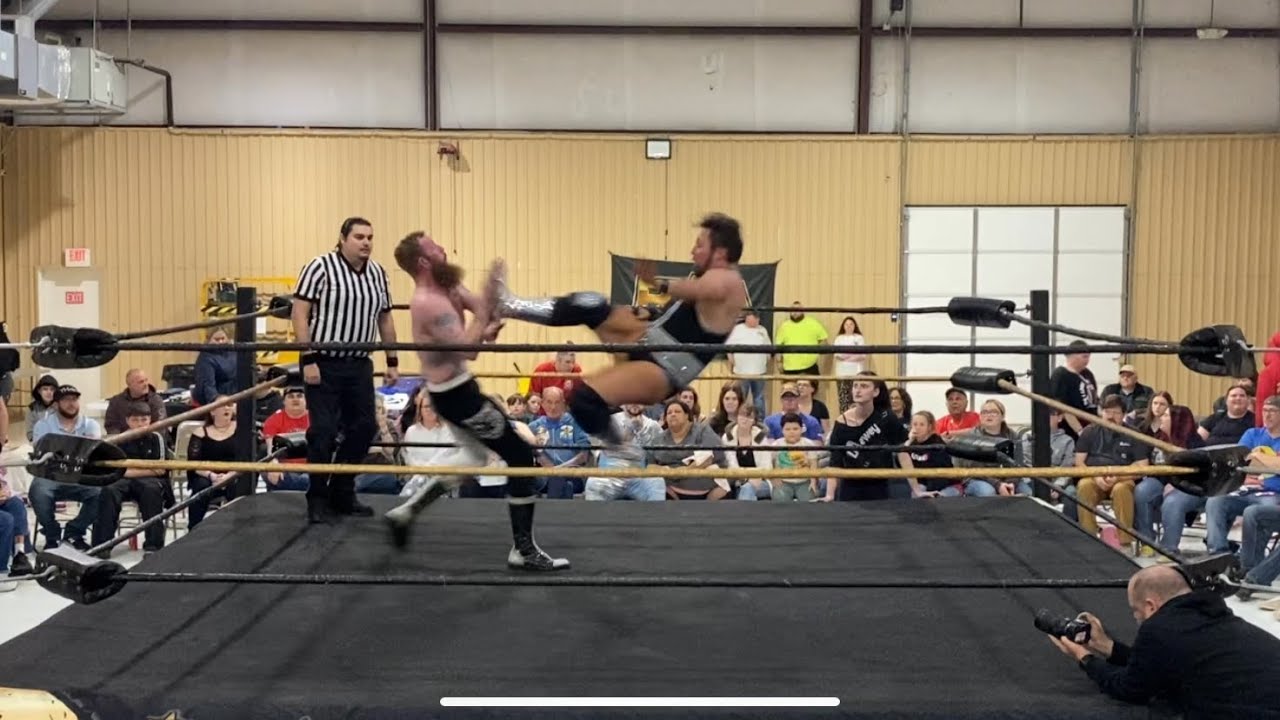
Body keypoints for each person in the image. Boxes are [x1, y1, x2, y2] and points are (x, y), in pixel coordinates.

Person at [386, 230, 566, 571]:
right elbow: (468, 348)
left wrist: (490, 309)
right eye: (434, 248)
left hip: (460, 388)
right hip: (455, 397)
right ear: (423, 261)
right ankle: (523, 549)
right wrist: (484, 322)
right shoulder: (428, 303)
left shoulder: (447, 283)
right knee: (520, 455)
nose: (443, 248)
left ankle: (406, 511)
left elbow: (480, 312)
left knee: (474, 456)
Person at [492, 212, 749, 450]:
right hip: (647, 339)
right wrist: (650, 312)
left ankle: (622, 449)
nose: (693, 251)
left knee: (583, 399)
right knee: (591, 305)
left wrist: (657, 283)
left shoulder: (728, 280)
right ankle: (510, 305)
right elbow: (684, 310)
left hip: (663, 368)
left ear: (720, 253)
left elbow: (700, 290)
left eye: (700, 245)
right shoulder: (709, 279)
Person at [1048, 565, 1280, 719]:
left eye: (1135, 610)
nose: (1136, 617)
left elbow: (1128, 688)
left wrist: (1083, 657)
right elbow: (1157, 664)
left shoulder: (1160, 628)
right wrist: (1107, 647)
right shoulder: (1211, 614)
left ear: (1151, 605)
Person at [291, 216, 400, 523]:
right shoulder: (319, 267)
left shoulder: (378, 273)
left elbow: (385, 319)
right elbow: (299, 314)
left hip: (359, 363)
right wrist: (308, 358)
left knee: (365, 428)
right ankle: (316, 497)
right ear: (342, 238)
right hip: (323, 362)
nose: (366, 243)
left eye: (370, 237)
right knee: (323, 432)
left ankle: (342, 490)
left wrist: (392, 360)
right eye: (359, 237)